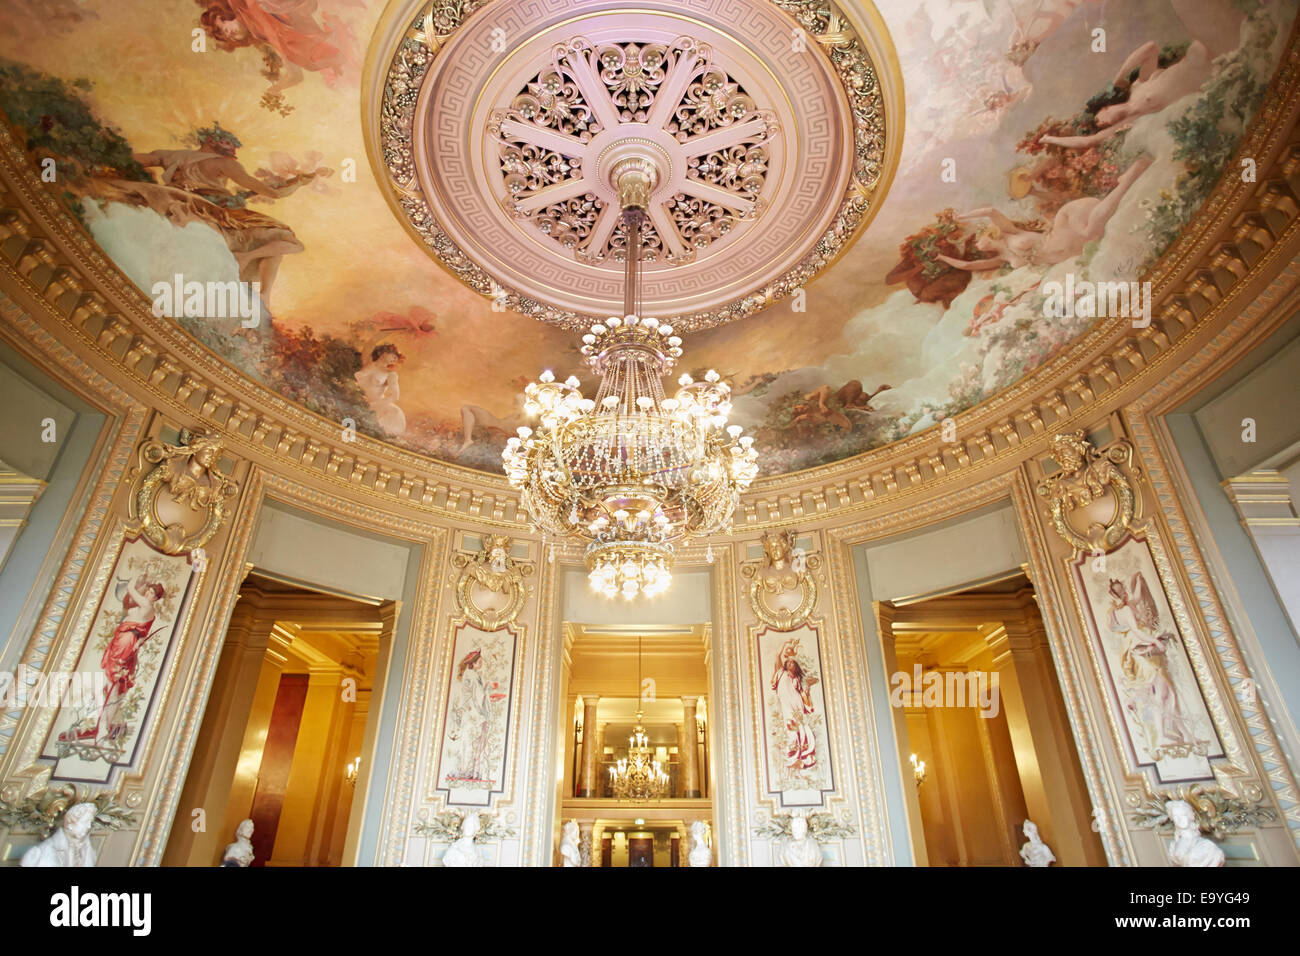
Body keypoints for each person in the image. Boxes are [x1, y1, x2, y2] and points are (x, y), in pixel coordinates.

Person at [937, 155, 1153, 272]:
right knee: (1093, 237)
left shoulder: (1008, 232)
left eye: (977, 239)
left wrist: (963, 217)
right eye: (976, 243)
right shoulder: (1003, 258)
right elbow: (967, 265)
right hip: (1072, 253)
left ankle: (1129, 179)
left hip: (1064, 230)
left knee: (1088, 231)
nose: (976, 245)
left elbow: (990, 211)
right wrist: (939, 257)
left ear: (988, 234)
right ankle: (1125, 184)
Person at [60, 573, 165, 745]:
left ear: (156, 598)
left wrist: (136, 577)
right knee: (112, 684)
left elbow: (130, 589)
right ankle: (102, 725)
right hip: (123, 641)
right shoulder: (145, 608)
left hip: (125, 642)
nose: (148, 594)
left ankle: (102, 727)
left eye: (152, 593)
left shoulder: (146, 605)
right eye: (149, 591)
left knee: (113, 683)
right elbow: (133, 613)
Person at [1107, 573, 1199, 759]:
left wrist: (1139, 580)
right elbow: (1137, 631)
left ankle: (1172, 733)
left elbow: (1138, 597)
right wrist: (1156, 642)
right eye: (1122, 590)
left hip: (1142, 649)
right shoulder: (1125, 611)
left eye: (1125, 588)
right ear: (1117, 595)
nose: (1125, 592)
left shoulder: (1126, 606)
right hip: (1142, 650)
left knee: (1163, 692)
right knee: (1161, 691)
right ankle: (1163, 734)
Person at [771, 639, 818, 772]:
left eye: (793, 663)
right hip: (787, 706)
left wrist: (807, 692)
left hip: (797, 705)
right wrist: (784, 643)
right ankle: (792, 759)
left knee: (803, 730)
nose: (790, 664)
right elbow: (776, 655)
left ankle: (804, 758)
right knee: (791, 730)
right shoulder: (781, 673)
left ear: (796, 666)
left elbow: (803, 695)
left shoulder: (797, 680)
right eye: (789, 662)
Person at [21, 802, 97, 867]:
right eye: (85, 822)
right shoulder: (43, 851)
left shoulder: (86, 849)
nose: (89, 826)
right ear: (70, 824)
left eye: (90, 822)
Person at [354, 344, 406, 435]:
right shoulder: (368, 363)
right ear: (383, 352)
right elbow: (370, 343)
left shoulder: (391, 375)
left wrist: (374, 405)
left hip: (377, 406)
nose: (395, 359)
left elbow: (395, 396)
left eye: (396, 358)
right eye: (393, 356)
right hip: (356, 398)